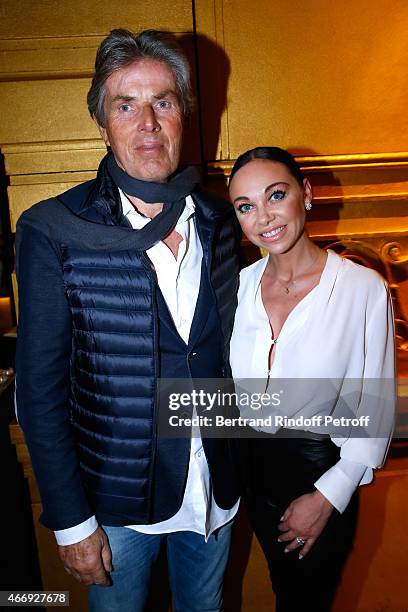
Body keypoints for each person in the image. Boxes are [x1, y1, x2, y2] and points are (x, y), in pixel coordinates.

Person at [15, 28, 241, 612]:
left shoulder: (219, 222)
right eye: (126, 105)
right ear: (103, 123)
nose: (148, 123)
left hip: (212, 489)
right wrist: (70, 522)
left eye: (163, 102)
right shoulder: (53, 229)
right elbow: (40, 390)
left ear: (185, 115)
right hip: (115, 506)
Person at [228, 146, 395, 611]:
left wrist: (327, 496)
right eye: (246, 206)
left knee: (307, 601)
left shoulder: (362, 288)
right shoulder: (238, 287)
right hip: (248, 473)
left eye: (275, 195)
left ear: (306, 193)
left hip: (317, 471)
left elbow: (373, 411)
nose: (264, 217)